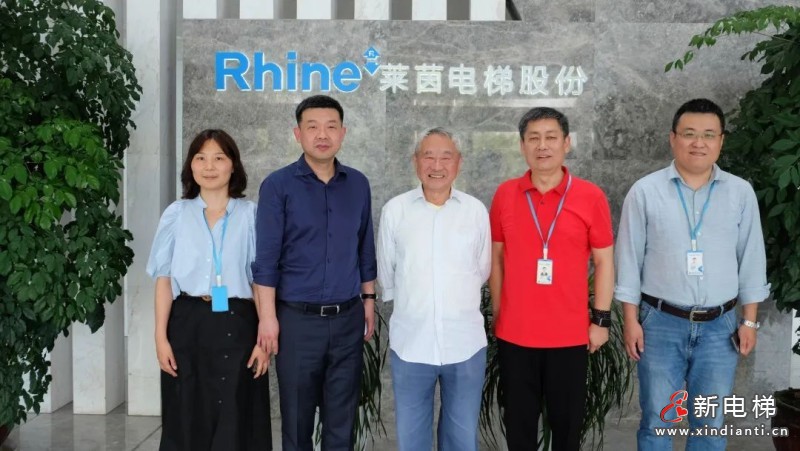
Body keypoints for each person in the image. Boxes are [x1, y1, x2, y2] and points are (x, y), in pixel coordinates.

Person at [615, 98, 769, 451]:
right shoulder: (645, 191)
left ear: (721, 141)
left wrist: (749, 321)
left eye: (708, 134)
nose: (699, 142)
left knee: (710, 423)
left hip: (721, 327)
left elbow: (751, 258)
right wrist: (630, 321)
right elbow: (629, 259)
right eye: (689, 134)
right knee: (657, 421)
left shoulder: (740, 192)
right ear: (673, 138)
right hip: (660, 324)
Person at [252, 95, 377, 451]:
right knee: (296, 421)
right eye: (313, 127)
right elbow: (266, 260)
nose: (323, 135)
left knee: (342, 422)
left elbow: (365, 247)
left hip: (347, 319)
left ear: (343, 133)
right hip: (296, 322)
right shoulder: (278, 186)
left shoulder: (358, 184)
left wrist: (368, 300)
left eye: (331, 126)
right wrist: (268, 319)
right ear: (298, 133)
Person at [489, 107, 615, 451]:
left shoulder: (590, 196)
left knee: (566, 429)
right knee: (519, 429)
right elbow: (496, 259)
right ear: (522, 146)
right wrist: (499, 313)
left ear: (566, 143)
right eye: (533, 138)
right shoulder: (505, 194)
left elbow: (604, 261)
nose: (542, 146)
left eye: (550, 137)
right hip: (516, 334)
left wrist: (601, 320)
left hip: (569, 335)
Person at [146, 129, 271, 451]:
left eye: (219, 158)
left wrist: (264, 341)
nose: (209, 166)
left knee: (237, 414)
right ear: (190, 166)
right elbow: (164, 279)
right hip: (187, 321)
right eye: (200, 158)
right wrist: (160, 338)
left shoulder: (251, 214)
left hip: (239, 322)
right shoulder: (176, 214)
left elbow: (260, 280)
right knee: (187, 414)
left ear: (233, 165)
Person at [377, 128, 490, 451]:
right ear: (415, 161)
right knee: (412, 438)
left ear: (459, 162)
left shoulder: (475, 211)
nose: (437, 165)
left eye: (446, 157)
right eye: (428, 156)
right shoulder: (395, 210)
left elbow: (482, 270)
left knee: (462, 438)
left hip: (465, 344)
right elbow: (386, 271)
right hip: (411, 343)